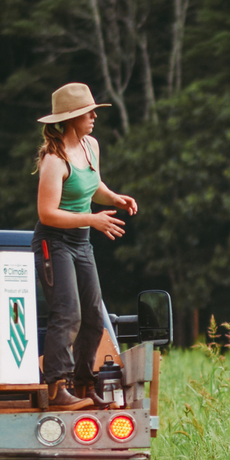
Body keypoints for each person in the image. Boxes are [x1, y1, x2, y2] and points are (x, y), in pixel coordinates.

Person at [33, 82, 138, 410]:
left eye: (92, 111)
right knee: (67, 313)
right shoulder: (54, 159)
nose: (93, 116)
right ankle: (55, 388)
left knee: (93, 315)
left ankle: (81, 385)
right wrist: (93, 220)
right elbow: (47, 213)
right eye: (86, 113)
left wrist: (114, 199)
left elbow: (92, 187)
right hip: (54, 242)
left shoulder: (91, 146)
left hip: (81, 242)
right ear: (68, 119)